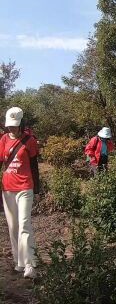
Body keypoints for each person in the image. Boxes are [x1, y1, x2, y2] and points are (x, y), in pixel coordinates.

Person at [0, 107, 39, 279]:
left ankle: (30, 264)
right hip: (7, 188)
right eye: (10, 126)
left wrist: (37, 189)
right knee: (13, 226)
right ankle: (19, 261)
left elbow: (34, 165)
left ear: (21, 124)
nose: (12, 129)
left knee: (24, 224)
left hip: (25, 187)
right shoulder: (3, 140)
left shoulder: (29, 140)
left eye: (15, 126)